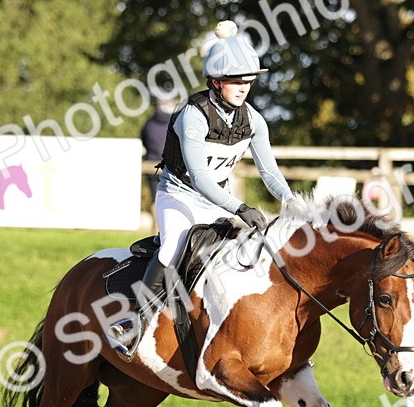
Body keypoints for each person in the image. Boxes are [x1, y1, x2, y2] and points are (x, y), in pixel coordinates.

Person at [108, 20, 296, 357]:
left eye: (248, 81)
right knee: (172, 248)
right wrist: (240, 208)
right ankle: (132, 322)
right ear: (216, 80)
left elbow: (269, 171)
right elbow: (200, 178)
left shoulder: (253, 120)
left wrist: (292, 202)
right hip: (178, 195)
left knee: (251, 253)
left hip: (217, 202)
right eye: (236, 81)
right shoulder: (192, 115)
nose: (243, 87)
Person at [140, 96, 176, 197]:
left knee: (154, 198)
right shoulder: (175, 122)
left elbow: (144, 140)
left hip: (151, 165)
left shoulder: (149, 123)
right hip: (170, 167)